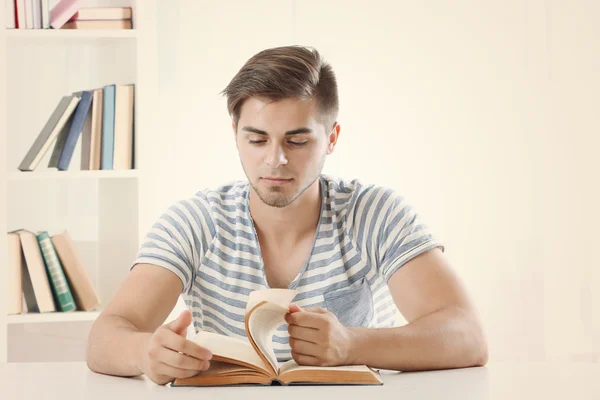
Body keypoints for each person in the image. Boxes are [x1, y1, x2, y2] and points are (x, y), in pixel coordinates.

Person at [86, 45, 488, 385]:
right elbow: (105, 336)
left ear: (331, 138)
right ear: (235, 136)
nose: (274, 159)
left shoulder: (375, 213)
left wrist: (352, 344)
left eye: (296, 140)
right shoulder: (194, 221)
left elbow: (467, 335)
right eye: (257, 139)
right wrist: (146, 354)